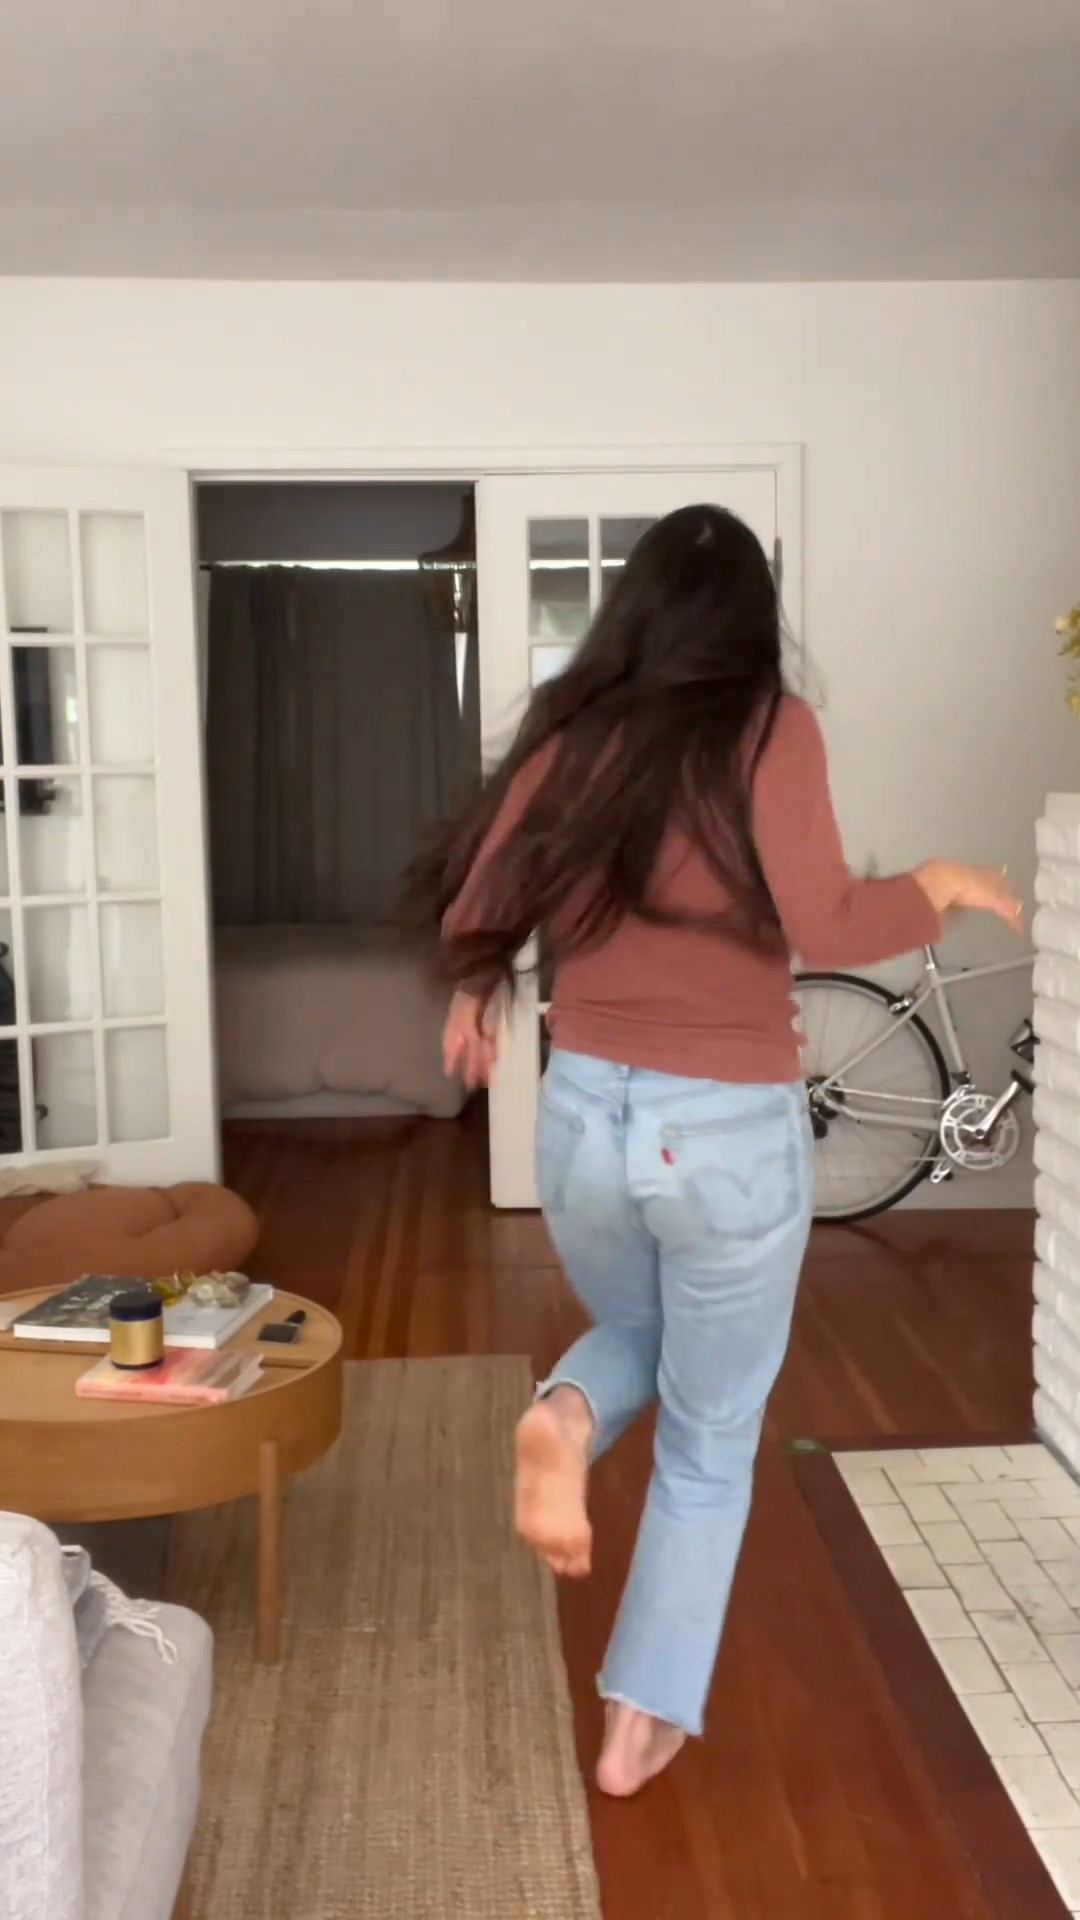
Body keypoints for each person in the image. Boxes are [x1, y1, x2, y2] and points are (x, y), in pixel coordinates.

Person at [405, 505, 1020, 1799]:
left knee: (640, 1335)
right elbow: (827, 922)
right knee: (711, 1426)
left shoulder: (578, 730)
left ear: (632, 609)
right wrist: (940, 884)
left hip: (582, 1117)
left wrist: (472, 988)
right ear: (751, 615)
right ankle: (638, 1723)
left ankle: (564, 1418)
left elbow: (480, 903)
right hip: (724, 1130)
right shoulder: (771, 726)